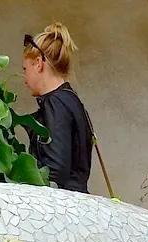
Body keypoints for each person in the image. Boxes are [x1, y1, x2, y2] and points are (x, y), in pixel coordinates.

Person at [22, 23, 95, 193]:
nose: (24, 78)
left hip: (62, 207)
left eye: (25, 69)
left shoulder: (55, 103)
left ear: (38, 64)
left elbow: (54, 171)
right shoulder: (71, 100)